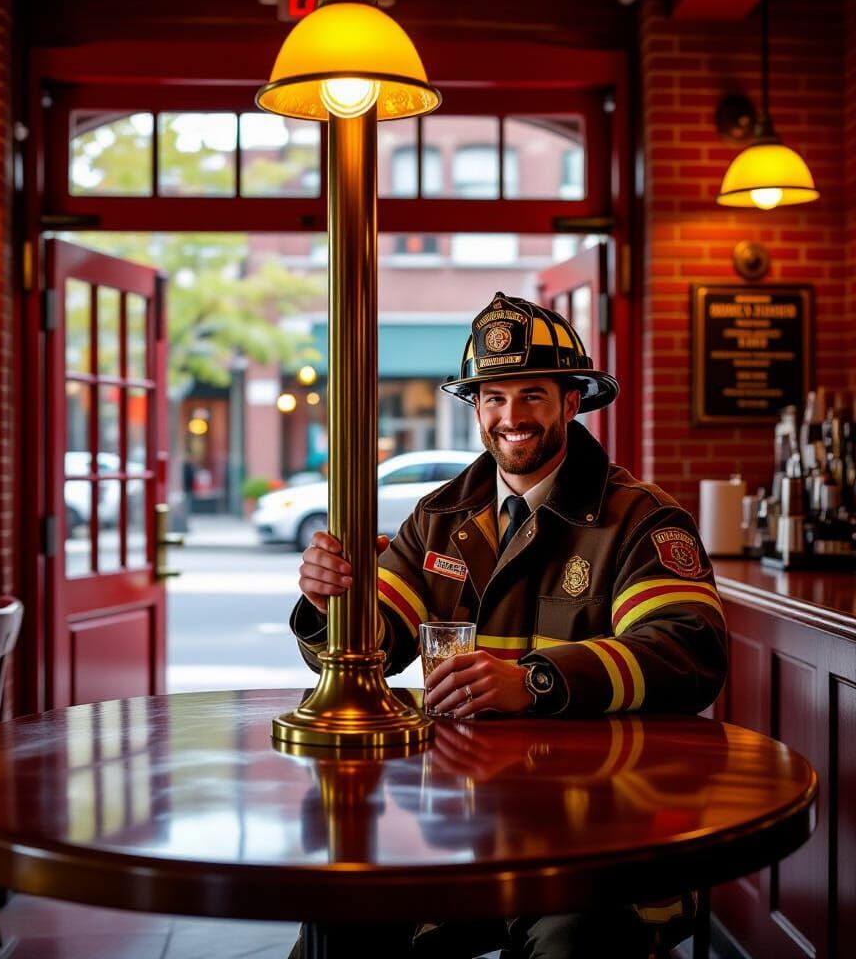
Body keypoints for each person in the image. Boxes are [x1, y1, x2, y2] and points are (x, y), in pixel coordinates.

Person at [289, 291, 728, 958]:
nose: (510, 417)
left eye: (531, 396)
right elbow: (381, 644)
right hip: (456, 821)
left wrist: (534, 682)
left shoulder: (642, 519)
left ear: (571, 402)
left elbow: (686, 651)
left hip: (599, 832)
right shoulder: (439, 516)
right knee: (342, 913)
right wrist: (332, 604)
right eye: (493, 399)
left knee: (570, 945)